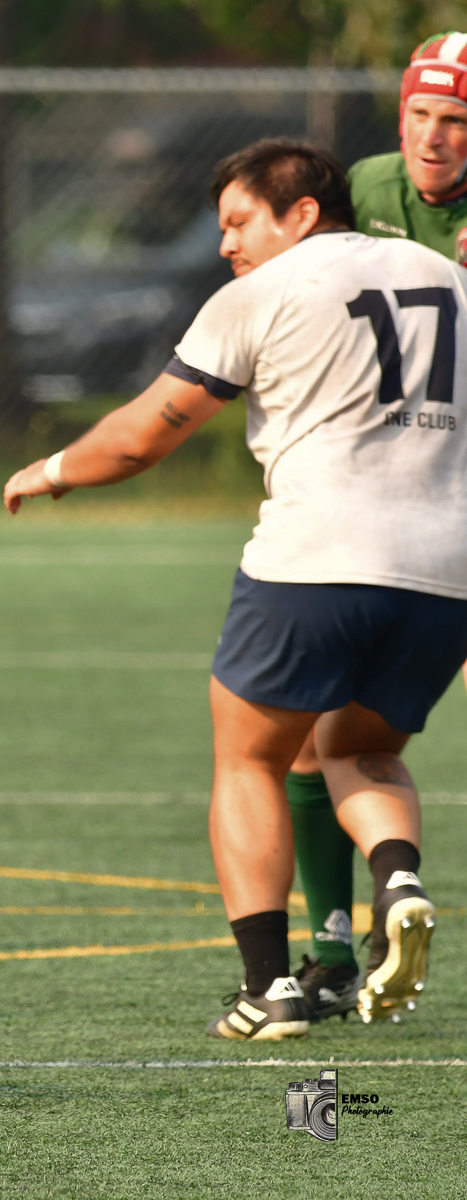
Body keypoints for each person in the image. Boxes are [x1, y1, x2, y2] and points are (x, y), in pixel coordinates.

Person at [4, 139, 455, 1040]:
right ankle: (397, 881)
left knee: (247, 755)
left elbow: (141, 437)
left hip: (316, 558)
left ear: (303, 214)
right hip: (447, 571)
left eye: (239, 221)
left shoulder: (264, 293)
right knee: (359, 749)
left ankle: (267, 989)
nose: (225, 246)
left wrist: (53, 467)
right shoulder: (448, 278)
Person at [284, 30, 467, 1021]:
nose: (434, 139)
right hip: (381, 503)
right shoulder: (365, 186)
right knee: (323, 736)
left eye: (457, 122)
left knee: (328, 737)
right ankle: (334, 943)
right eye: (421, 115)